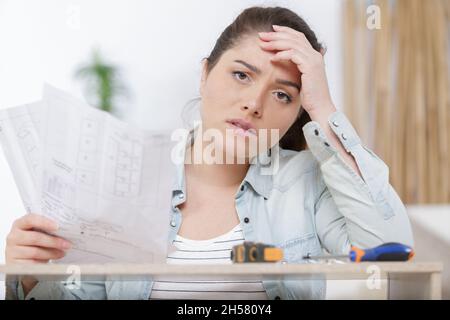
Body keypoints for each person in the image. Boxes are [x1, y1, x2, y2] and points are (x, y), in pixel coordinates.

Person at [5, 6, 413, 300]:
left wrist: (323, 109)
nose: (254, 103)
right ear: (204, 74)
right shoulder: (126, 175)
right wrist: (29, 278)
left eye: (283, 95)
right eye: (241, 74)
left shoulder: (307, 181)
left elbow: (391, 253)